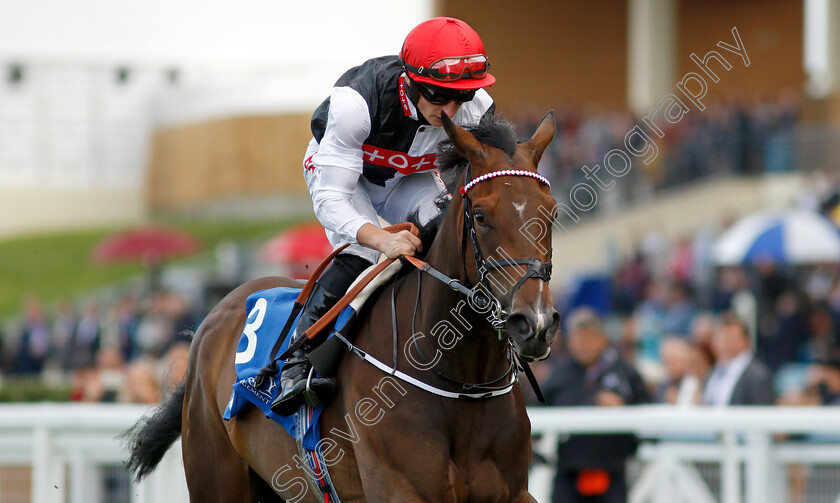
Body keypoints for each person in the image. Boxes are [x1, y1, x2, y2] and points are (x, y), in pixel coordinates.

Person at [271, 17, 497, 415]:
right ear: (410, 80)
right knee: (363, 254)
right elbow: (332, 198)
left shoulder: (477, 110)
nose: (451, 109)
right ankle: (295, 360)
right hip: (346, 180)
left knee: (444, 235)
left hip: (410, 176)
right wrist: (381, 239)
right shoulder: (356, 103)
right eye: (440, 95)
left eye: (461, 96)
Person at [543, 308, 649, 503]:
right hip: (569, 470)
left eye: (589, 338)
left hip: (612, 469)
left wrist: (624, 409)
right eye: (578, 339)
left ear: (603, 339)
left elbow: (647, 410)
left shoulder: (624, 372)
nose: (583, 345)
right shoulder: (559, 374)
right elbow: (537, 411)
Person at [703, 312, 775, 406]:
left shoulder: (757, 376)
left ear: (746, 341)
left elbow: (762, 415)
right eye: (719, 338)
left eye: (729, 338)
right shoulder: (712, 372)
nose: (723, 343)